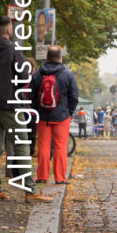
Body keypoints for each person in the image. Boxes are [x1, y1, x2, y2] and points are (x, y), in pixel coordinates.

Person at [0, 15, 52, 203]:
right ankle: (31, 190)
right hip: (10, 103)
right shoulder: (12, 50)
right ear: (9, 30)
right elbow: (24, 76)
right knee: (22, 144)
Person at [31, 45, 79, 185]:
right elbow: (74, 96)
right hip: (62, 116)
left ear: (47, 57)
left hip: (43, 116)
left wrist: (37, 110)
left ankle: (42, 176)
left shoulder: (38, 73)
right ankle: (59, 178)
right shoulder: (67, 74)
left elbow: (31, 95)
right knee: (60, 147)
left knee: (44, 146)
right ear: (60, 57)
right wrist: (68, 111)